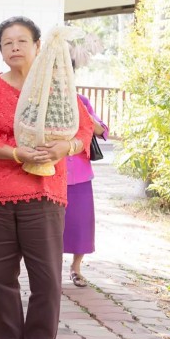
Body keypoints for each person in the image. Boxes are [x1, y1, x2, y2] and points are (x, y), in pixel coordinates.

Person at [0, 16, 92, 339]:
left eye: (22, 40)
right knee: (1, 277)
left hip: (43, 194)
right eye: (7, 42)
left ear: (37, 46)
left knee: (46, 278)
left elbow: (84, 129)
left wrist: (65, 147)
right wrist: (16, 153)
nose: (14, 47)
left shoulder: (55, 86)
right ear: (0, 50)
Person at [64, 90, 108, 287]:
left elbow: (101, 130)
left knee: (81, 223)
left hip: (80, 173)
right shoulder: (42, 99)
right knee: (51, 226)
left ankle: (76, 268)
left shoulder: (81, 100)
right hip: (51, 173)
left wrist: (82, 111)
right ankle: (50, 270)